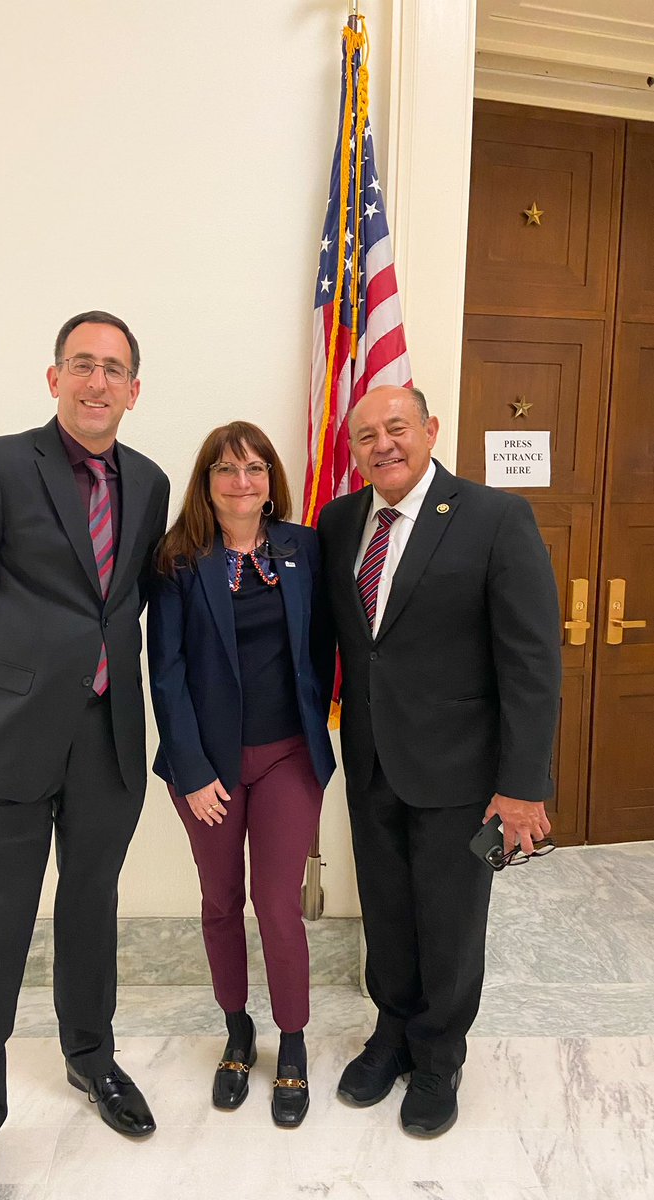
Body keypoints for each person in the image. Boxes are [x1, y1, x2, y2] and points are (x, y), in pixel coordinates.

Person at [0, 311, 169, 1199]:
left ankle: (90, 1057)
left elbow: (123, 601)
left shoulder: (150, 480)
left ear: (135, 391)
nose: (96, 381)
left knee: (92, 909)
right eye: (81, 364)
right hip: (9, 743)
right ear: (53, 377)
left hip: (107, 741)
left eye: (113, 369)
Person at [317, 385, 561, 1138]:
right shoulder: (338, 521)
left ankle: (436, 1055)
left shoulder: (494, 517)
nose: (382, 444)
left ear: (429, 429)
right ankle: (390, 1032)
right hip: (370, 760)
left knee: (449, 920)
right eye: (365, 435)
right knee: (386, 909)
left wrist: (522, 787)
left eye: (396, 428)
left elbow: (530, 660)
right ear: (352, 449)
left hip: (460, 769)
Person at [147, 422, 335, 1128]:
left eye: (255, 468)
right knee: (220, 901)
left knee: (277, 903)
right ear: (207, 482)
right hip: (207, 771)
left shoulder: (302, 549)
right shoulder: (176, 559)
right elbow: (164, 673)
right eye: (226, 470)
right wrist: (192, 771)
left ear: (270, 481)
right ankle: (236, 1028)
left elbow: (320, 649)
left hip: (288, 755)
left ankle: (291, 1040)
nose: (242, 482)